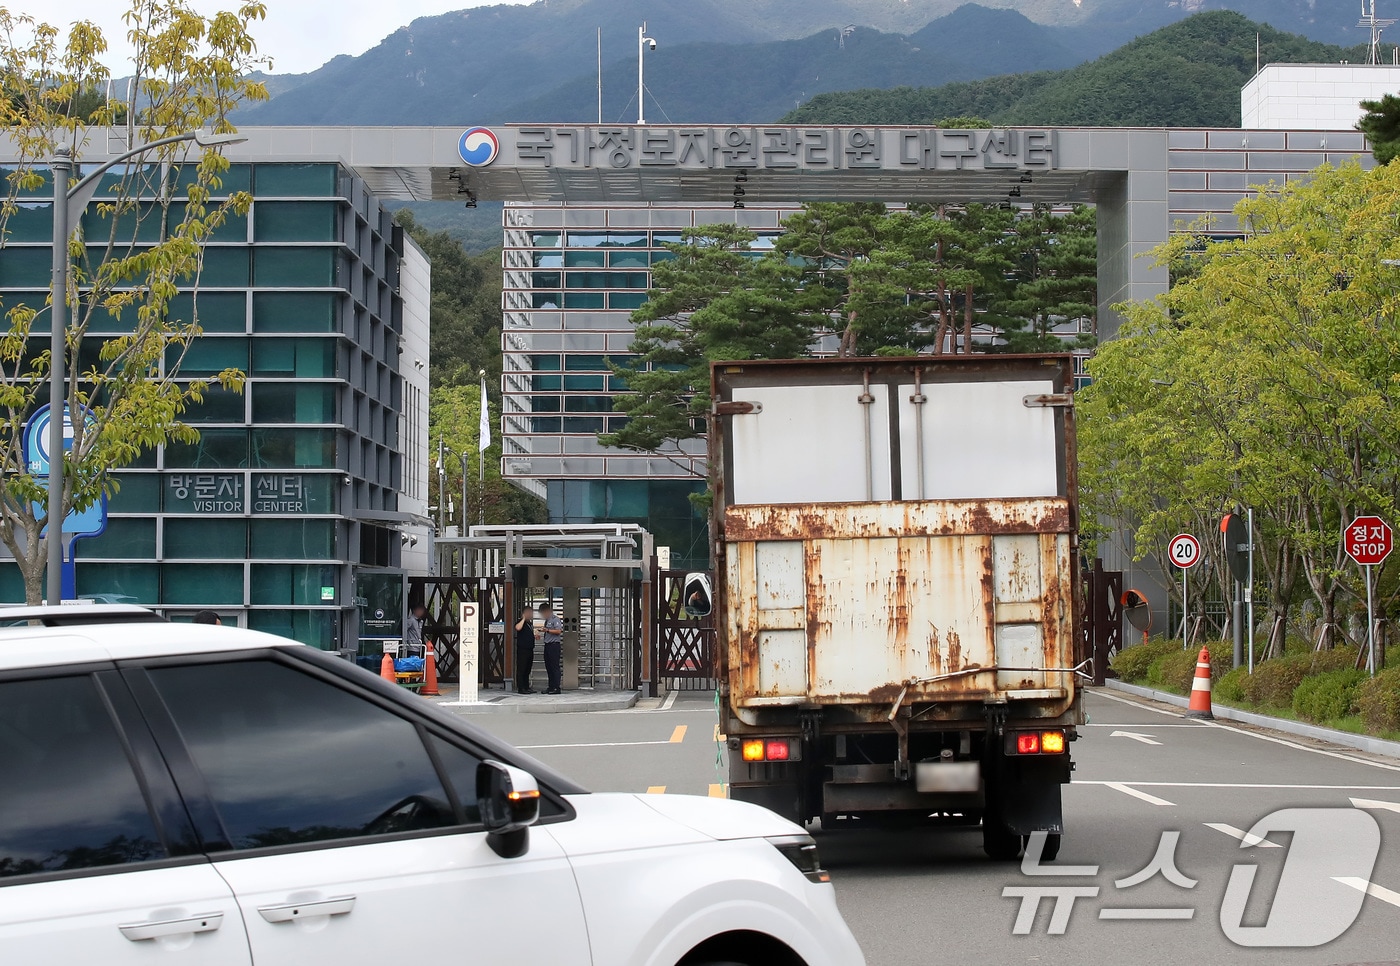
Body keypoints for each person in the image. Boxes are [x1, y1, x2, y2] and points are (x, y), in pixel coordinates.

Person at [540, 601, 564, 694]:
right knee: (548, 667)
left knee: (554, 667)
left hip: (554, 646)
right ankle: (551, 686)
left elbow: (558, 631)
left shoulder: (555, 619)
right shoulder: (547, 620)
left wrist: (548, 630)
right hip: (547, 645)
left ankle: (556, 687)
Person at [513, 605, 537, 694]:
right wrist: (523, 619)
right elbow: (517, 628)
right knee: (522, 669)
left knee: (527, 669)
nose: (530, 615)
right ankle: (521, 688)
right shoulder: (520, 622)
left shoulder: (529, 623)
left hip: (530, 649)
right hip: (523, 649)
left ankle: (527, 687)